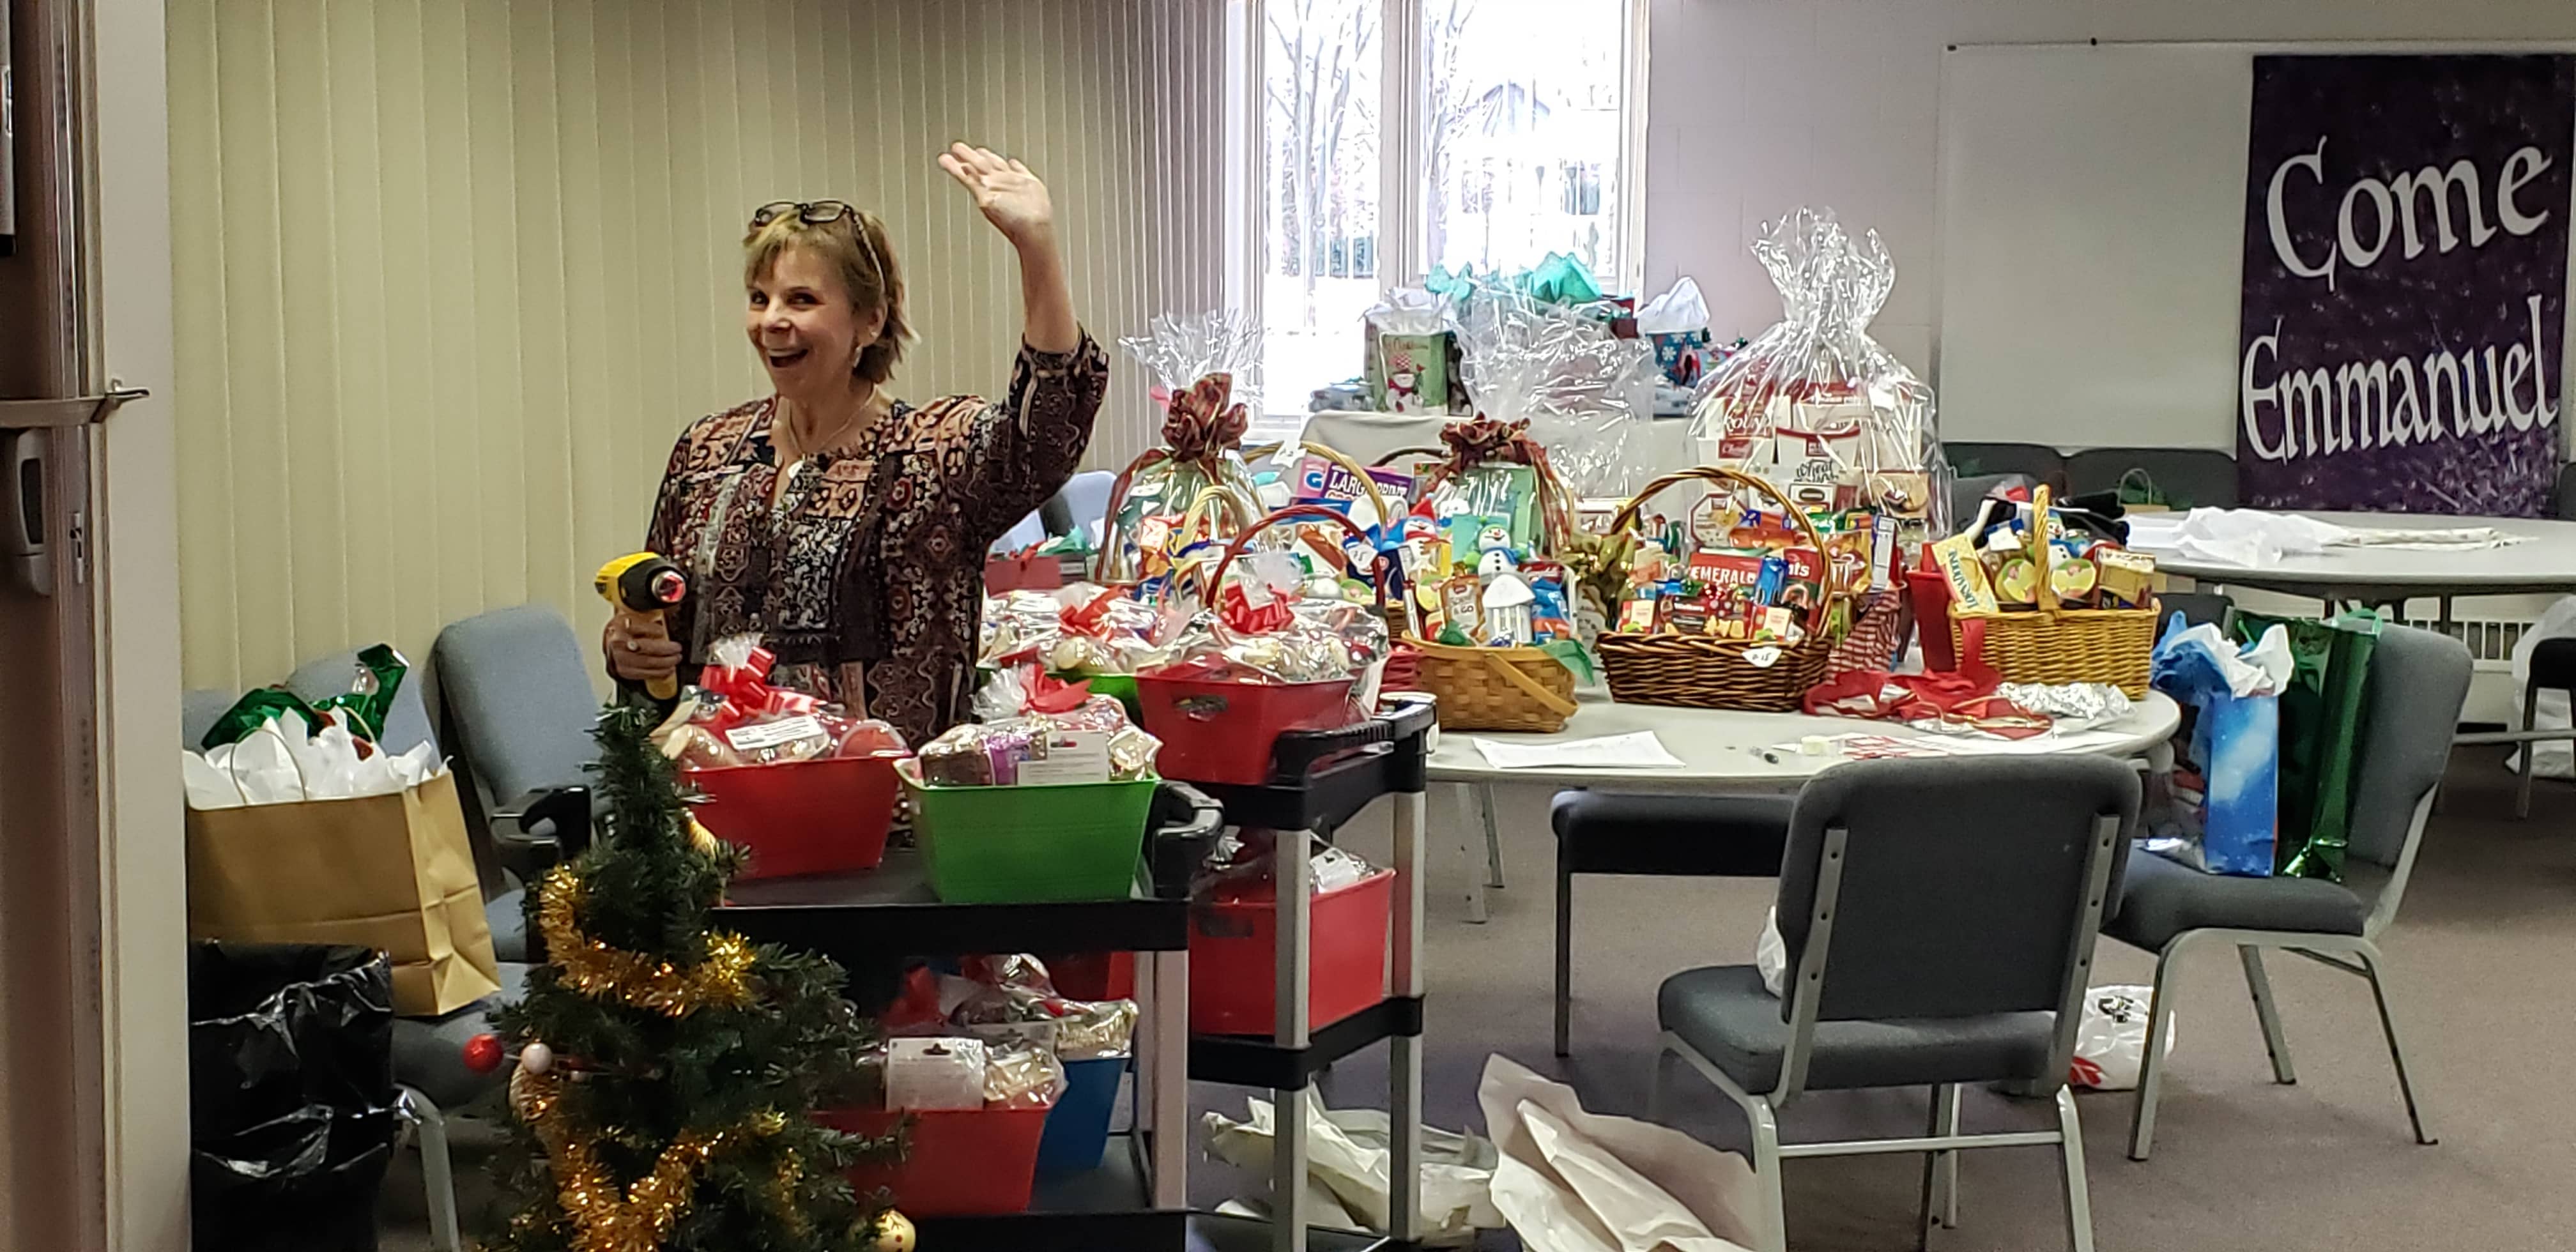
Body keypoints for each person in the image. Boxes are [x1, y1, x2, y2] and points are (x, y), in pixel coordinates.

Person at [605, 143, 1108, 744]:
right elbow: (663, 615)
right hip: (720, 810)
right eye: (759, 298)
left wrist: (1037, 247)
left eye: (802, 300)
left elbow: (1046, 433)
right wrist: (630, 648)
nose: (771, 321)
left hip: (880, 814)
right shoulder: (710, 452)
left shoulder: (930, 454)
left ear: (870, 321)